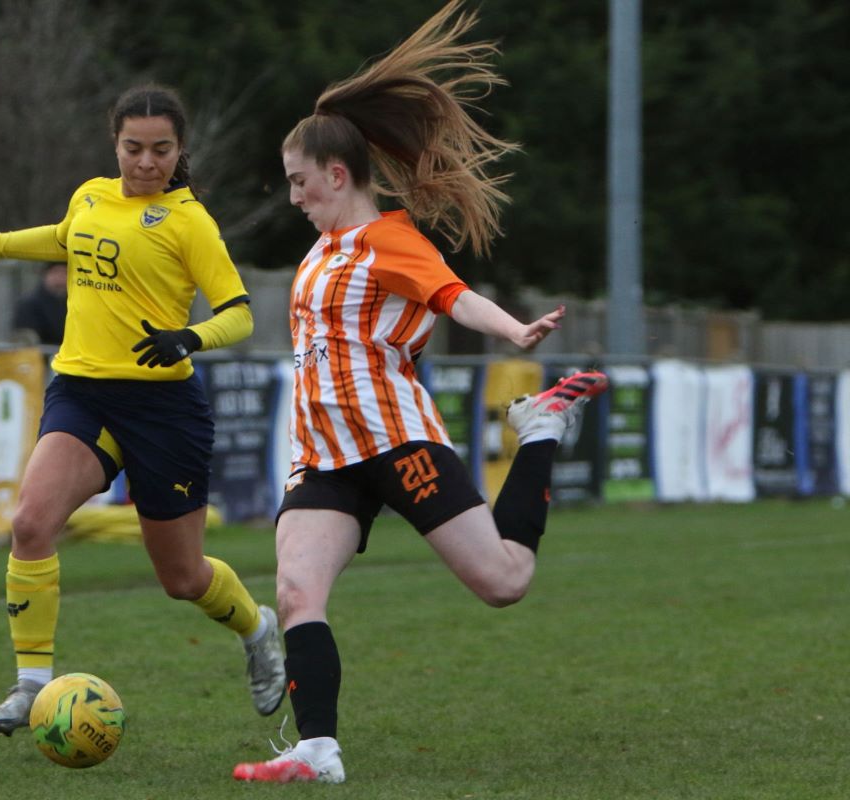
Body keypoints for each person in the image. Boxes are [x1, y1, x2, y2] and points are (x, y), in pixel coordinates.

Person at [232, 2, 608, 784]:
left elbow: (453, 296)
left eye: (301, 183)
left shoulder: (386, 241)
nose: (294, 197)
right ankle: (318, 750)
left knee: (504, 582)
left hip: (397, 441)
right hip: (324, 458)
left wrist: (513, 332)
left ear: (338, 175)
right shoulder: (319, 253)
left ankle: (538, 434)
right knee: (298, 588)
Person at [0, 83, 286, 735]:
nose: (145, 162)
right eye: (133, 148)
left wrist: (189, 338)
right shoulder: (90, 194)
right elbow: (60, 238)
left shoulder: (189, 221)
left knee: (184, 577)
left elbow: (240, 312)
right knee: (29, 522)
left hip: (163, 408)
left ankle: (257, 629)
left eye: (160, 150)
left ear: (178, 150)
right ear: (115, 144)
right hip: (81, 391)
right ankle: (30, 688)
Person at [12, 261, 68, 345]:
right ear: (45, 275)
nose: (60, 279)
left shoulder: (74, 304)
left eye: (65, 273)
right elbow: (26, 339)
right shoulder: (29, 304)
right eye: (56, 272)